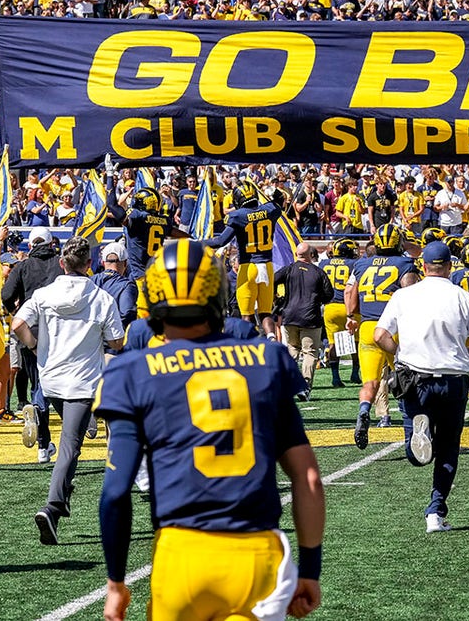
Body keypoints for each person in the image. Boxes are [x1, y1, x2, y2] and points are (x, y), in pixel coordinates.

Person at [96, 239, 325, 621]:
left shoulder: (131, 370)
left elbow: (116, 493)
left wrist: (116, 583)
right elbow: (309, 478)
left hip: (181, 556)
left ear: (153, 297)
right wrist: (310, 570)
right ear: (218, 293)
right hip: (258, 556)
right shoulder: (266, 360)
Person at [375, 240, 469, 531]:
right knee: (448, 449)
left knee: (415, 452)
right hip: (454, 380)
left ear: (423, 266)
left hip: (415, 377)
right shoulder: (463, 297)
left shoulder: (405, 295)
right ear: (450, 267)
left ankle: (418, 433)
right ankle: (435, 511)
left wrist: (400, 354)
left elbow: (380, 335)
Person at [12, 236, 124, 544]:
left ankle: (67, 481)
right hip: (83, 381)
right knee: (69, 447)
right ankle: (53, 506)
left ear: (62, 263)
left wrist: (35, 347)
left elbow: (17, 324)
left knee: (73, 436)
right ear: (90, 265)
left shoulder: (45, 294)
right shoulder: (102, 298)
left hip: (51, 380)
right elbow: (116, 342)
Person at [347, 224, 420, 445]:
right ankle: (412, 429)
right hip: (393, 328)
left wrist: (351, 315)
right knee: (408, 379)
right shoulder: (405, 263)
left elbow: (350, 291)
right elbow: (410, 293)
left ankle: (364, 411)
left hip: (368, 327)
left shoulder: (361, 264)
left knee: (370, 382)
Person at [1, 227, 61, 436]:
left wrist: (15, 310)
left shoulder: (23, 266)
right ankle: (79, 421)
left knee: (37, 381)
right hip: (59, 330)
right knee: (65, 379)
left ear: (30, 245)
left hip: (31, 329)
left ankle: (43, 439)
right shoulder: (61, 264)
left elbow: (6, 294)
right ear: (51, 243)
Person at [206, 179, 282, 337]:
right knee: (265, 312)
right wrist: (276, 195)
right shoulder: (270, 209)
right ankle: (272, 338)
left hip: (248, 267)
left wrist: (198, 243)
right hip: (267, 266)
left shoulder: (238, 216)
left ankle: (244, 345)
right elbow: (279, 203)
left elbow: (220, 241)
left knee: (246, 314)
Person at [275, 243, 333, 393]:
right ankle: (304, 386)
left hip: (290, 315)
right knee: (310, 351)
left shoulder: (289, 269)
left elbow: (272, 280)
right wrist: (316, 299)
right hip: (310, 317)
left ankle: (285, 382)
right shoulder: (318, 272)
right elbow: (329, 295)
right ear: (311, 255)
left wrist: (278, 298)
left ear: (296, 253)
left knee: (292, 349)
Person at [320, 238, 361, 387]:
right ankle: (355, 373)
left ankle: (335, 377)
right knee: (356, 342)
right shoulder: (354, 264)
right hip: (349, 306)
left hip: (330, 307)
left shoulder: (324, 263)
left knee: (333, 344)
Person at [90, 241, 138, 329]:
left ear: (103, 262)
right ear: (125, 263)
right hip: (114, 339)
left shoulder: (90, 281)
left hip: (92, 337)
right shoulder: (127, 285)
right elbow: (127, 313)